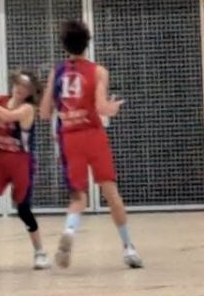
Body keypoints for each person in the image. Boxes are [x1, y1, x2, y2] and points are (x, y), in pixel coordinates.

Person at [43, 20, 141, 269]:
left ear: (64, 45)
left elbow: (44, 112)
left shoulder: (57, 72)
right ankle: (128, 248)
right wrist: (113, 108)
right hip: (93, 135)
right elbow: (101, 107)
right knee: (110, 192)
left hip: (69, 137)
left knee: (78, 197)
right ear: (87, 43)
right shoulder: (98, 71)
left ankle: (69, 231)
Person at [0, 69, 49, 271]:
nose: (20, 89)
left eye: (25, 88)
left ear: (31, 92)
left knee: (23, 208)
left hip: (21, 160)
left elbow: (6, 115)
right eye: (18, 85)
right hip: (1, 158)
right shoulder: (1, 100)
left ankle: (40, 252)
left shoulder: (28, 109)